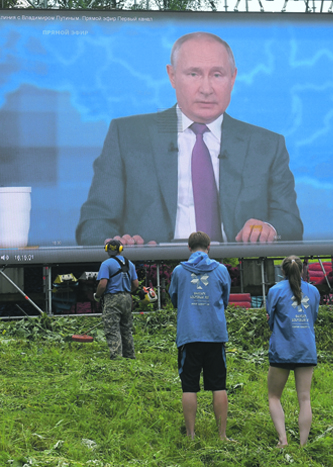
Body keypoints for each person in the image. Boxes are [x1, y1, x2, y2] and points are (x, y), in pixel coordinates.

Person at [76, 31, 303, 246]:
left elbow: (290, 223)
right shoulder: (127, 135)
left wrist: (270, 228)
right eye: (194, 74)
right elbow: (94, 224)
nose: (206, 89)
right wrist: (117, 247)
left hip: (237, 274)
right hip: (151, 274)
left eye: (217, 74)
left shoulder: (267, 145)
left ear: (233, 78)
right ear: (172, 76)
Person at [169, 231, 232, 441]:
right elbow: (225, 299)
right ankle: (222, 436)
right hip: (215, 335)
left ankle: (191, 435)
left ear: (188, 248)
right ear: (209, 246)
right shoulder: (221, 270)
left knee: (189, 387)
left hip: (189, 335)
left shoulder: (179, 271)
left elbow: (175, 298)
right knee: (219, 386)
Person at [266, 255, 320, 447]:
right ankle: (303, 444)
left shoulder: (275, 291)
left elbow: (270, 319)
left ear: (283, 271)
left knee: (274, 396)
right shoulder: (313, 291)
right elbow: (313, 317)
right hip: (306, 349)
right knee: (305, 398)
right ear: (302, 271)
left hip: (282, 350)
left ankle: (283, 440)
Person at [94, 239, 139, 360]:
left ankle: (117, 358)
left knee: (112, 328)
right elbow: (136, 284)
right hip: (127, 298)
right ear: (120, 249)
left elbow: (102, 285)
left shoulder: (106, 264)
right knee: (126, 329)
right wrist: (127, 292)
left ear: (107, 249)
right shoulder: (130, 264)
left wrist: (97, 296)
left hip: (112, 298)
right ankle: (130, 357)